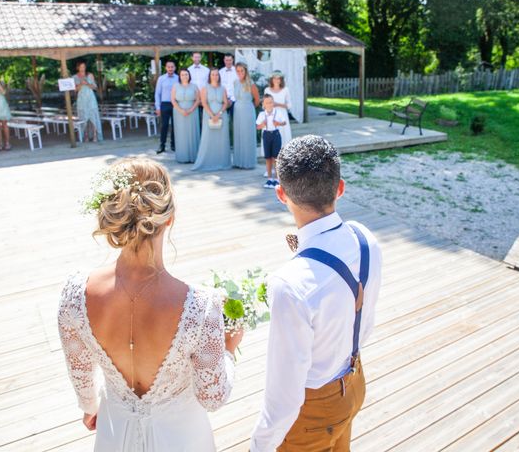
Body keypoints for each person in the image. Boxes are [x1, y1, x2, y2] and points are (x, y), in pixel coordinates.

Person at [58, 157, 242, 451]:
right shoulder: (201, 306)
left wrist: (90, 406)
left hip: (115, 432)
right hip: (184, 438)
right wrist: (229, 350)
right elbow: (213, 396)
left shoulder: (75, 294)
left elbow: (80, 371)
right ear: (168, 218)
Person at [250, 136, 382, 452]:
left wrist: (260, 445)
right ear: (340, 188)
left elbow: (285, 394)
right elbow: (366, 320)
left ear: (281, 194)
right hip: (354, 382)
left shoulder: (290, 285)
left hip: (312, 412)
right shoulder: (366, 240)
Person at [192, 68, 232, 171]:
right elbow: (204, 103)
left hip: (221, 115)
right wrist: (212, 115)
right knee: (208, 138)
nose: (215, 76)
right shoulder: (205, 88)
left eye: (216, 75)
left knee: (221, 140)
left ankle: (222, 162)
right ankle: (207, 162)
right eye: (213, 74)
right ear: (209, 76)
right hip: (208, 115)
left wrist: (219, 114)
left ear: (219, 76)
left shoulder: (223, 88)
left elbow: (225, 103)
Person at [256, 94, 287, 188]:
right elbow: (257, 127)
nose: (269, 104)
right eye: (267, 103)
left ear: (273, 103)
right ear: (263, 104)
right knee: (268, 158)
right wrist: (262, 124)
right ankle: (270, 179)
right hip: (266, 135)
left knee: (276, 158)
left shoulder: (278, 113)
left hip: (276, 135)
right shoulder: (262, 114)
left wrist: (279, 123)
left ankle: (277, 179)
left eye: (271, 102)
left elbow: (284, 122)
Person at [233, 62, 260, 169]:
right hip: (237, 111)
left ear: (245, 71)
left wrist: (249, 108)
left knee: (247, 135)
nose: (240, 73)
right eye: (238, 71)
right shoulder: (235, 82)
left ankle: (248, 162)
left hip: (247, 111)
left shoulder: (251, 84)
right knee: (238, 135)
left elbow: (257, 100)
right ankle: (239, 161)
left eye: (242, 70)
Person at [172, 68, 201, 163]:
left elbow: (198, 100)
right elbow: (173, 100)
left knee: (192, 132)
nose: (185, 76)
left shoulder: (194, 86)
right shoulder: (175, 86)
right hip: (178, 112)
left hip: (192, 111)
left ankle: (193, 156)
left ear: (189, 76)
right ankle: (182, 157)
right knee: (181, 133)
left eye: (186, 74)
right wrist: (181, 110)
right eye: (182, 75)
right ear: (179, 76)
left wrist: (190, 110)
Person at [73, 61, 103, 142]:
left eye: (84, 67)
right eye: (81, 67)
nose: (83, 68)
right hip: (81, 98)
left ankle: (95, 135)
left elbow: (94, 87)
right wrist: (80, 84)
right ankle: (85, 136)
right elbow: (75, 90)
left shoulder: (90, 75)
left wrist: (86, 83)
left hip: (90, 97)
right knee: (83, 117)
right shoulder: (75, 77)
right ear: (78, 67)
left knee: (93, 115)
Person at [154, 60, 179, 154]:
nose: (170, 68)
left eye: (172, 67)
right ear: (166, 68)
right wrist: (158, 107)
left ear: (175, 68)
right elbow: (157, 93)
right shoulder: (161, 79)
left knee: (174, 125)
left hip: (175, 104)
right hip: (164, 104)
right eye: (169, 67)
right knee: (164, 125)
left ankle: (174, 145)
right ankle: (162, 145)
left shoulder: (178, 78)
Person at [264, 71, 293, 145]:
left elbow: (289, 105)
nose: (276, 80)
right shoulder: (267, 90)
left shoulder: (285, 90)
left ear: (281, 80)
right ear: (271, 79)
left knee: (283, 135)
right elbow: (264, 105)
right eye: (274, 78)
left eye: (278, 78)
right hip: (270, 115)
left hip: (282, 115)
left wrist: (278, 104)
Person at [219, 54, 238, 119]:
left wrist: (231, 99)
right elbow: (219, 87)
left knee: (234, 120)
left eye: (230, 60)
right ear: (224, 60)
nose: (228, 62)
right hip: (223, 100)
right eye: (227, 60)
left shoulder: (237, 71)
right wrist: (226, 99)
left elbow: (238, 87)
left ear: (233, 60)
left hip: (235, 100)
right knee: (223, 119)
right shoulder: (220, 72)